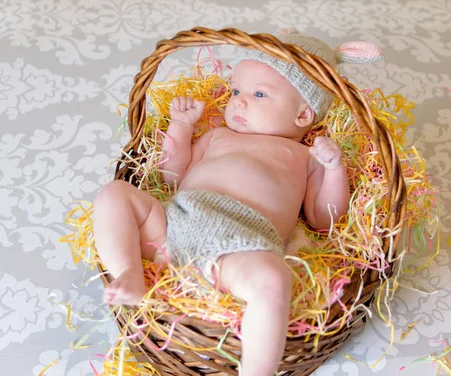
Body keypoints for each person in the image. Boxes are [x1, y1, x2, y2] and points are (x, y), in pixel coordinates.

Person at [93, 29, 381, 376]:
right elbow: (171, 179)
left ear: (303, 115)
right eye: (236, 91)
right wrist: (181, 129)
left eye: (259, 94)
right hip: (173, 225)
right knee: (114, 194)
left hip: (241, 246)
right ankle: (130, 271)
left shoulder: (305, 157)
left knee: (273, 280)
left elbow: (324, 220)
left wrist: (334, 170)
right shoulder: (216, 135)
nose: (239, 101)